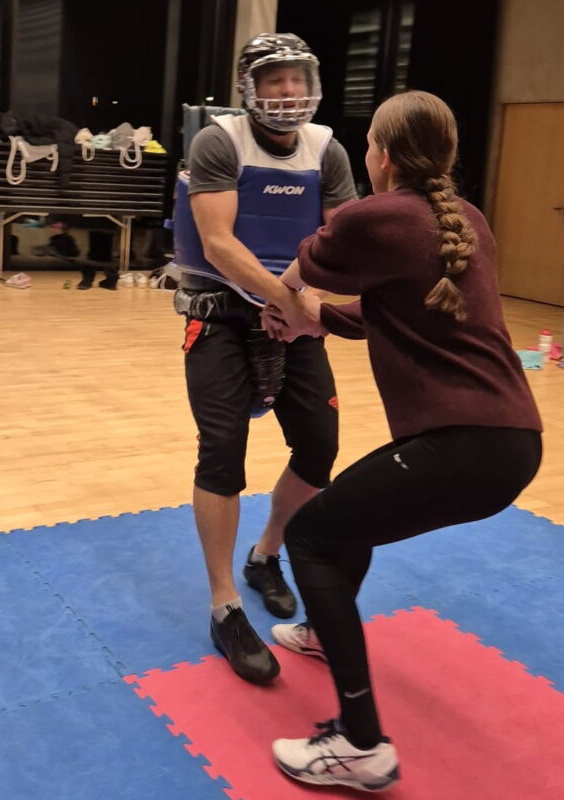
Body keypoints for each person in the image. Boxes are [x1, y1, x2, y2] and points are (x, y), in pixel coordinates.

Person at [262, 91, 542, 792]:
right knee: (348, 515)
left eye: (367, 146)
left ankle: (361, 746)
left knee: (311, 535)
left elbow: (306, 262)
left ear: (382, 155)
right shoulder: (465, 220)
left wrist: (285, 304)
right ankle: (325, 632)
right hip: (513, 442)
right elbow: (396, 310)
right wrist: (320, 320)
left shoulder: (377, 215)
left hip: (462, 446)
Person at [173, 33, 357, 684]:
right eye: (275, 79)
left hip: (298, 308)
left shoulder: (327, 149)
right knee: (222, 452)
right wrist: (286, 300)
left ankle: (265, 555)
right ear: (250, 87)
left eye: (296, 77)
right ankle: (224, 604)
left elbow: (340, 240)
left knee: (320, 446)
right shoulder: (218, 142)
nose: (288, 90)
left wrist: (305, 304)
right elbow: (218, 243)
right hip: (222, 311)